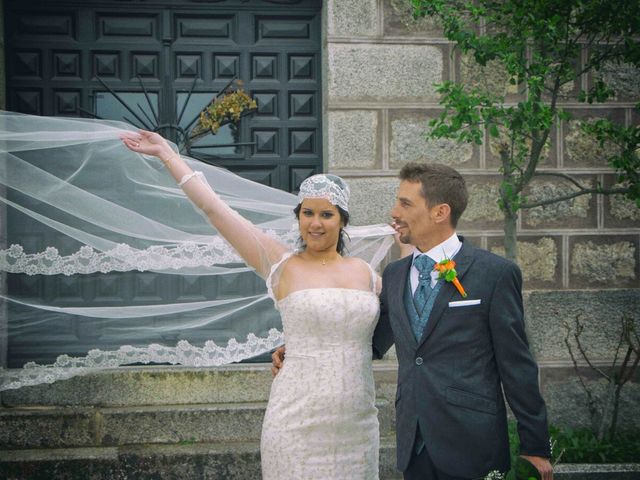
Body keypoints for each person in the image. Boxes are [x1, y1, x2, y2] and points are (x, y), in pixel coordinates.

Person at [121, 130, 383, 479]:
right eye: (307, 213)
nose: (315, 223)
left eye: (327, 214)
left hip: (357, 425)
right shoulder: (280, 262)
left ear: (343, 220)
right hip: (296, 421)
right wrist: (169, 155)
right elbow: (214, 209)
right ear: (298, 217)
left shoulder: (366, 274)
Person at [273, 162, 553, 480]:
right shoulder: (394, 275)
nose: (394, 212)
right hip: (414, 447)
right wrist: (299, 346)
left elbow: (517, 365)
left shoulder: (495, 274)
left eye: (405, 204)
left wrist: (537, 446)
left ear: (440, 212)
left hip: (473, 443)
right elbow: (368, 339)